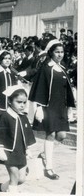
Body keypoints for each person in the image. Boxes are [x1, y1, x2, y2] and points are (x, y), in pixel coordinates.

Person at [29, 39, 75, 180]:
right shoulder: (46, 68)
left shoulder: (62, 68)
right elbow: (39, 88)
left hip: (60, 107)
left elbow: (67, 90)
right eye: (57, 52)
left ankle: (43, 155)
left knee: (62, 136)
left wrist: (69, 109)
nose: (60, 55)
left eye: (62, 52)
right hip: (48, 107)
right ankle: (48, 168)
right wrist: (39, 108)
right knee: (51, 134)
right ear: (51, 53)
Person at [0, 85, 36, 193]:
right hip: (9, 152)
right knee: (14, 177)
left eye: (24, 103)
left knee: (22, 179)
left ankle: (2, 187)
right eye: (19, 102)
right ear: (10, 101)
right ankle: (12, 191)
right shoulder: (5, 116)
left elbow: (27, 133)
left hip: (21, 152)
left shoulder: (23, 117)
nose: (22, 105)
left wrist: (28, 149)